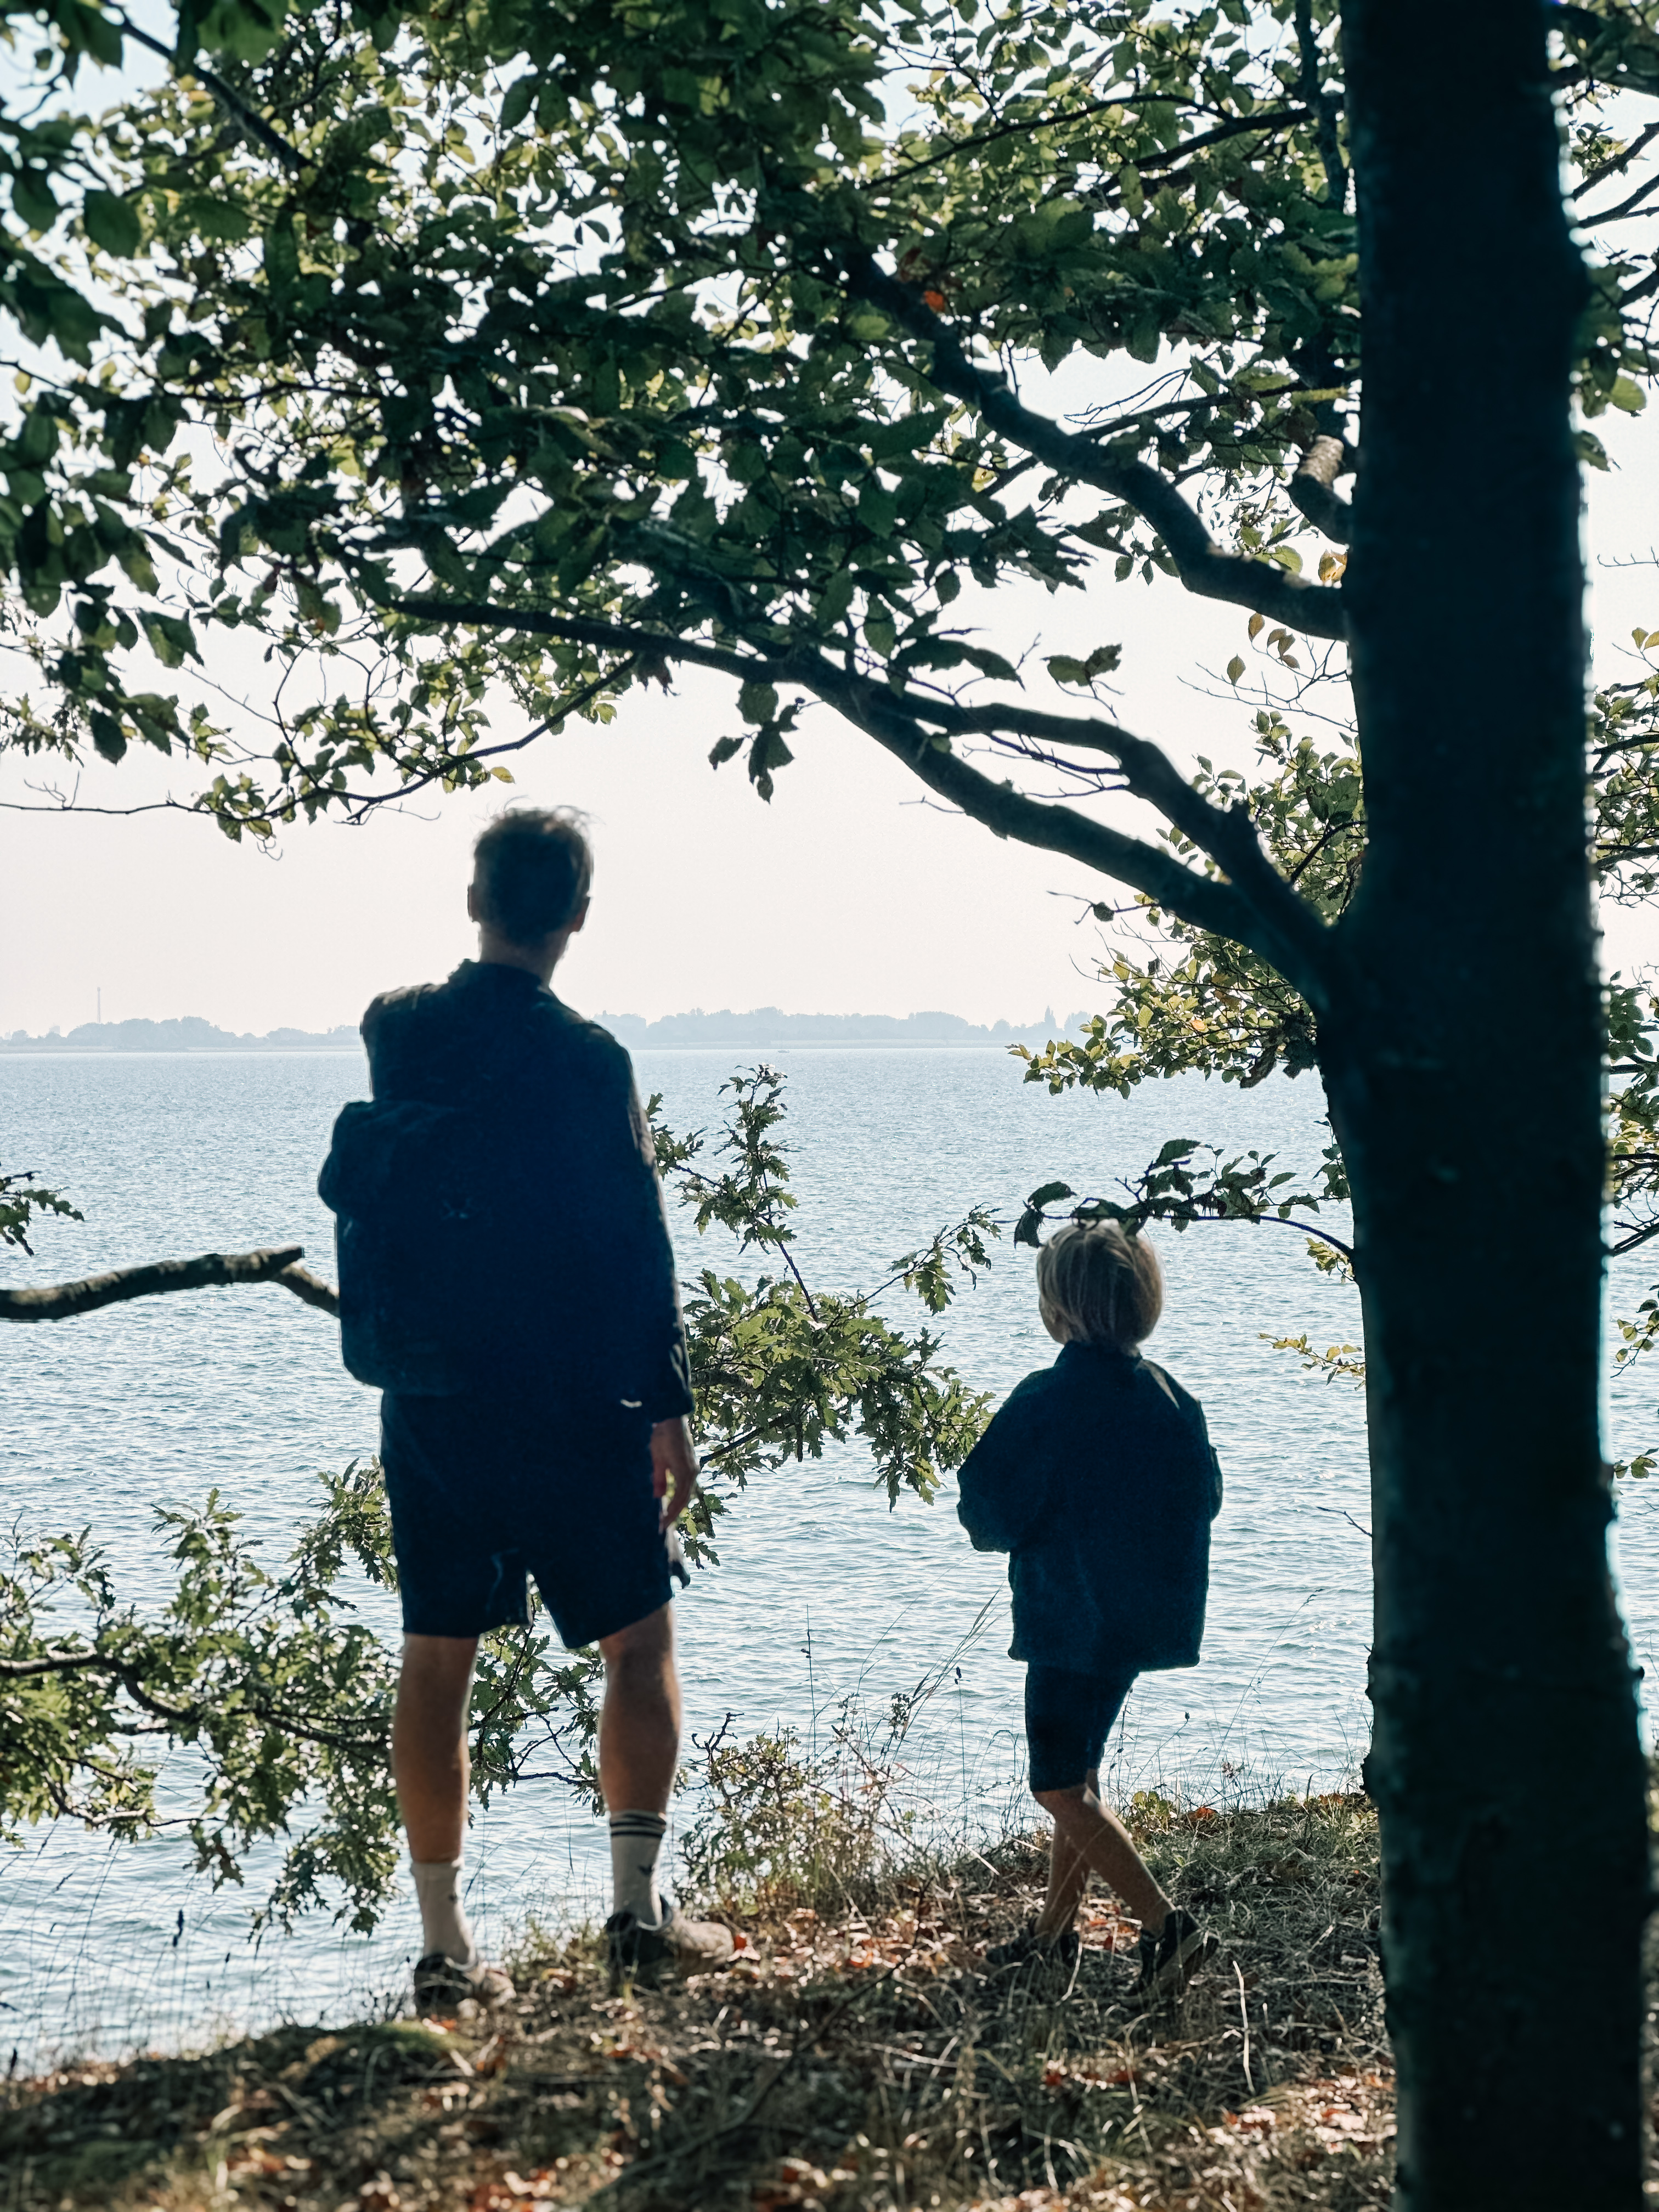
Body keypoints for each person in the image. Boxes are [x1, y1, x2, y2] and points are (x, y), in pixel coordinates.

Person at [357, 806, 736, 2011]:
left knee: (436, 1657)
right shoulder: (589, 1061)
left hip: (430, 1395)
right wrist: (664, 1407)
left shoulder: (397, 1031)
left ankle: (443, 1950)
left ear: (474, 900)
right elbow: (635, 1242)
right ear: (578, 915)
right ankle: (635, 1914)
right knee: (639, 1641)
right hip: (569, 1396)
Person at [956, 1219, 1223, 1999]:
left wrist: (1019, 1528)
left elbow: (989, 1507)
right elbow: (1204, 1498)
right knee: (1080, 1773)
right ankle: (1053, 1937)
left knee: (1056, 1786)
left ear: (1059, 1309)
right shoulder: (1173, 1398)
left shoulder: (1048, 1399)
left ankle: (1166, 1928)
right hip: (1145, 1621)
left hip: (1069, 1619)